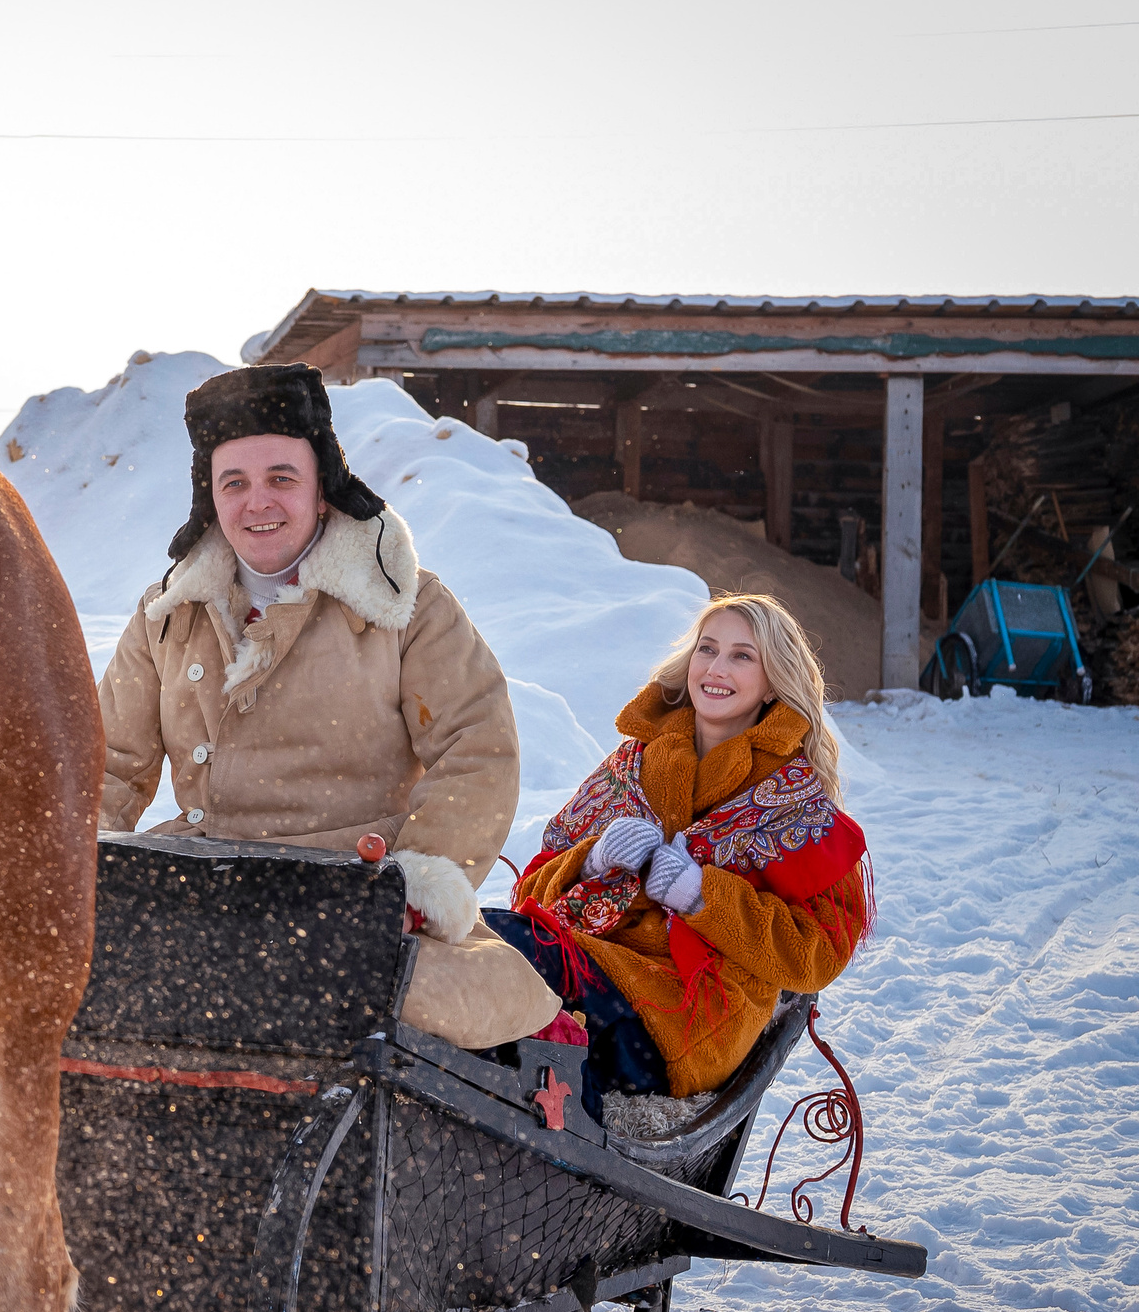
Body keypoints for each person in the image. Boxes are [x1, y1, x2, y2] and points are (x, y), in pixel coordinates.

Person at [97, 364, 558, 1044]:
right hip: (197, 897)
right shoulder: (165, 615)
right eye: (236, 483)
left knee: (406, 1000)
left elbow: (476, 746)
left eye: (281, 478)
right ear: (210, 497)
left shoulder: (409, 606)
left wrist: (419, 881)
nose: (259, 502)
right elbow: (105, 762)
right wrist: (78, 868)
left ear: (322, 489)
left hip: (358, 904)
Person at [491, 594, 871, 1105]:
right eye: (707, 649)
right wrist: (593, 858)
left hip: (687, 1016)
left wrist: (701, 896)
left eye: (742, 656)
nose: (716, 668)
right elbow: (530, 892)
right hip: (586, 962)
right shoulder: (631, 763)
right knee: (489, 937)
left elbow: (816, 954)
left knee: (514, 955)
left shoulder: (797, 802)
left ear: (773, 682)